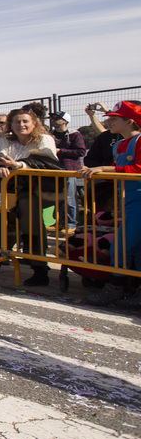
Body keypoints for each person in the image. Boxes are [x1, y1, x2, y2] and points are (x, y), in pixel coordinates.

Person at [79, 101, 141, 307]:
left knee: (122, 245)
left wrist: (103, 169)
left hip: (138, 199)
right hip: (129, 200)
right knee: (130, 245)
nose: (110, 121)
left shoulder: (139, 141)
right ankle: (126, 288)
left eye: (115, 118)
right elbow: (116, 173)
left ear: (130, 121)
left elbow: (138, 169)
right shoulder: (121, 144)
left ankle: (116, 287)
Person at [0, 107, 60, 286]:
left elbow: (48, 163)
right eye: (17, 121)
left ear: (34, 123)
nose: (21, 125)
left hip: (38, 191)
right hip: (14, 190)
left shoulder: (44, 139)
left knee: (33, 229)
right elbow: (0, 161)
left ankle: (40, 270)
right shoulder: (6, 140)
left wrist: (18, 164)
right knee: (7, 227)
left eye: (25, 121)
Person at [50, 111, 87, 230]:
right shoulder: (50, 135)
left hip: (69, 170)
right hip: (53, 170)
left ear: (65, 121)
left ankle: (71, 224)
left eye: (57, 118)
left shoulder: (75, 134)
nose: (54, 120)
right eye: (53, 118)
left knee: (69, 199)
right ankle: (60, 222)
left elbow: (81, 151)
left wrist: (60, 151)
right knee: (58, 198)